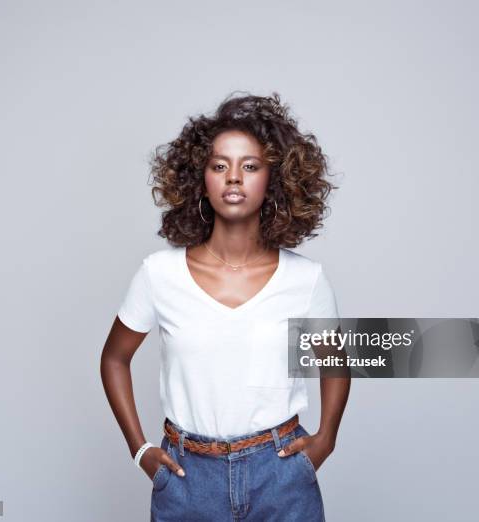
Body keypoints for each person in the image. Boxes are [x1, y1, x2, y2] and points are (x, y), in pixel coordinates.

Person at [101, 91, 351, 521]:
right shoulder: (159, 275)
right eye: (220, 166)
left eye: (249, 166)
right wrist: (140, 448)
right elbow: (114, 359)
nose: (233, 177)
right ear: (201, 179)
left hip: (281, 476)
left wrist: (325, 439)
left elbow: (337, 363)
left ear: (273, 180)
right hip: (186, 480)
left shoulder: (305, 280)